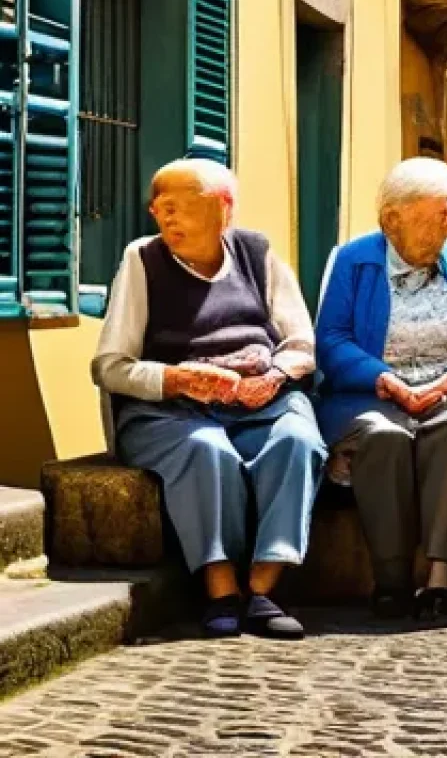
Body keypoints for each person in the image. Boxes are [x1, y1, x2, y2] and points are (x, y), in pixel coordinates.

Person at [92, 159, 326, 640]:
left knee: (297, 440)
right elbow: (109, 366)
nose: (166, 220)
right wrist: (176, 378)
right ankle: (220, 588)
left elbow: (302, 342)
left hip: (260, 396)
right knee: (207, 452)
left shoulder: (256, 253)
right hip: (170, 410)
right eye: (159, 209)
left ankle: (263, 588)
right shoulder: (143, 260)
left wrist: (276, 375)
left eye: (178, 208)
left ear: (224, 208)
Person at [316, 157, 447, 620]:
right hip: (373, 395)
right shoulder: (353, 261)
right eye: (435, 218)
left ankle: (442, 577)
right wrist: (384, 380)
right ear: (392, 221)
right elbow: (332, 339)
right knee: (383, 438)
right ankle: (392, 579)